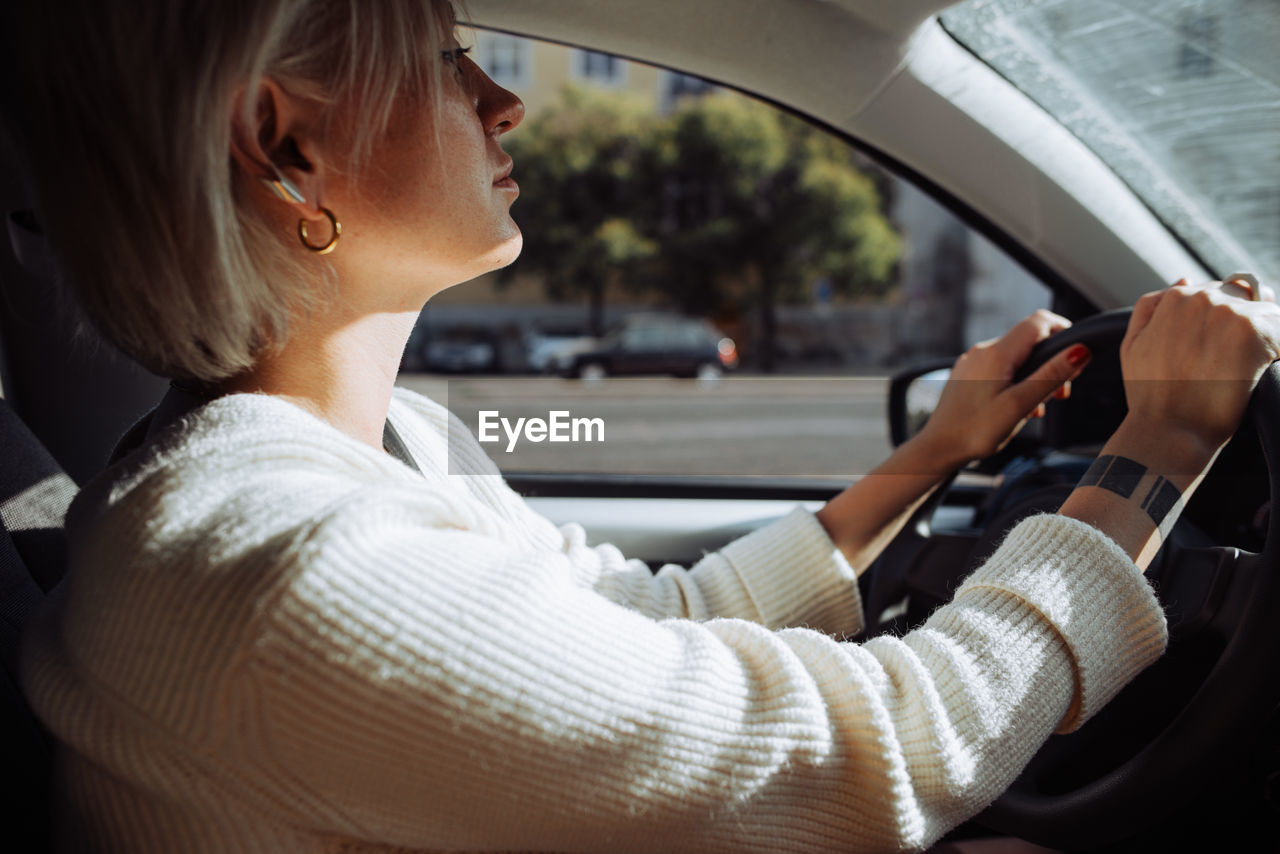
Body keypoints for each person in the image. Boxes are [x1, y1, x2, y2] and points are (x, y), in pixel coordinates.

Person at [9, 0, 1279, 851]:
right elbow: (878, 754)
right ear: (283, 143)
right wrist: (1156, 452)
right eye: (447, 59)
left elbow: (650, 631)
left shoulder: (372, 448)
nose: (501, 101)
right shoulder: (285, 567)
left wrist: (934, 453)